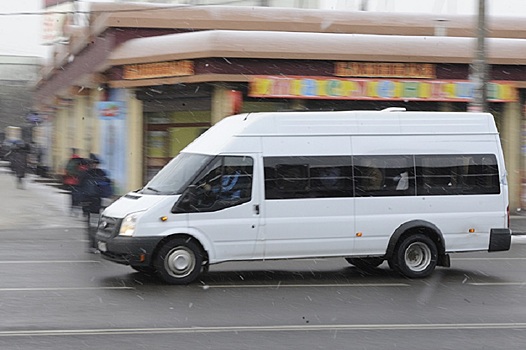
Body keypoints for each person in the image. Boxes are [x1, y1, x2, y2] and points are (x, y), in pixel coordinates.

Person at [77, 154, 112, 251]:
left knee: (96, 225)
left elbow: (107, 188)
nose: (95, 165)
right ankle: (92, 244)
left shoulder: (98, 174)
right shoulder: (88, 174)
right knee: (91, 225)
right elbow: (80, 189)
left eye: (96, 164)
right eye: (93, 163)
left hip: (95, 202)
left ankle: (95, 244)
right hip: (89, 202)